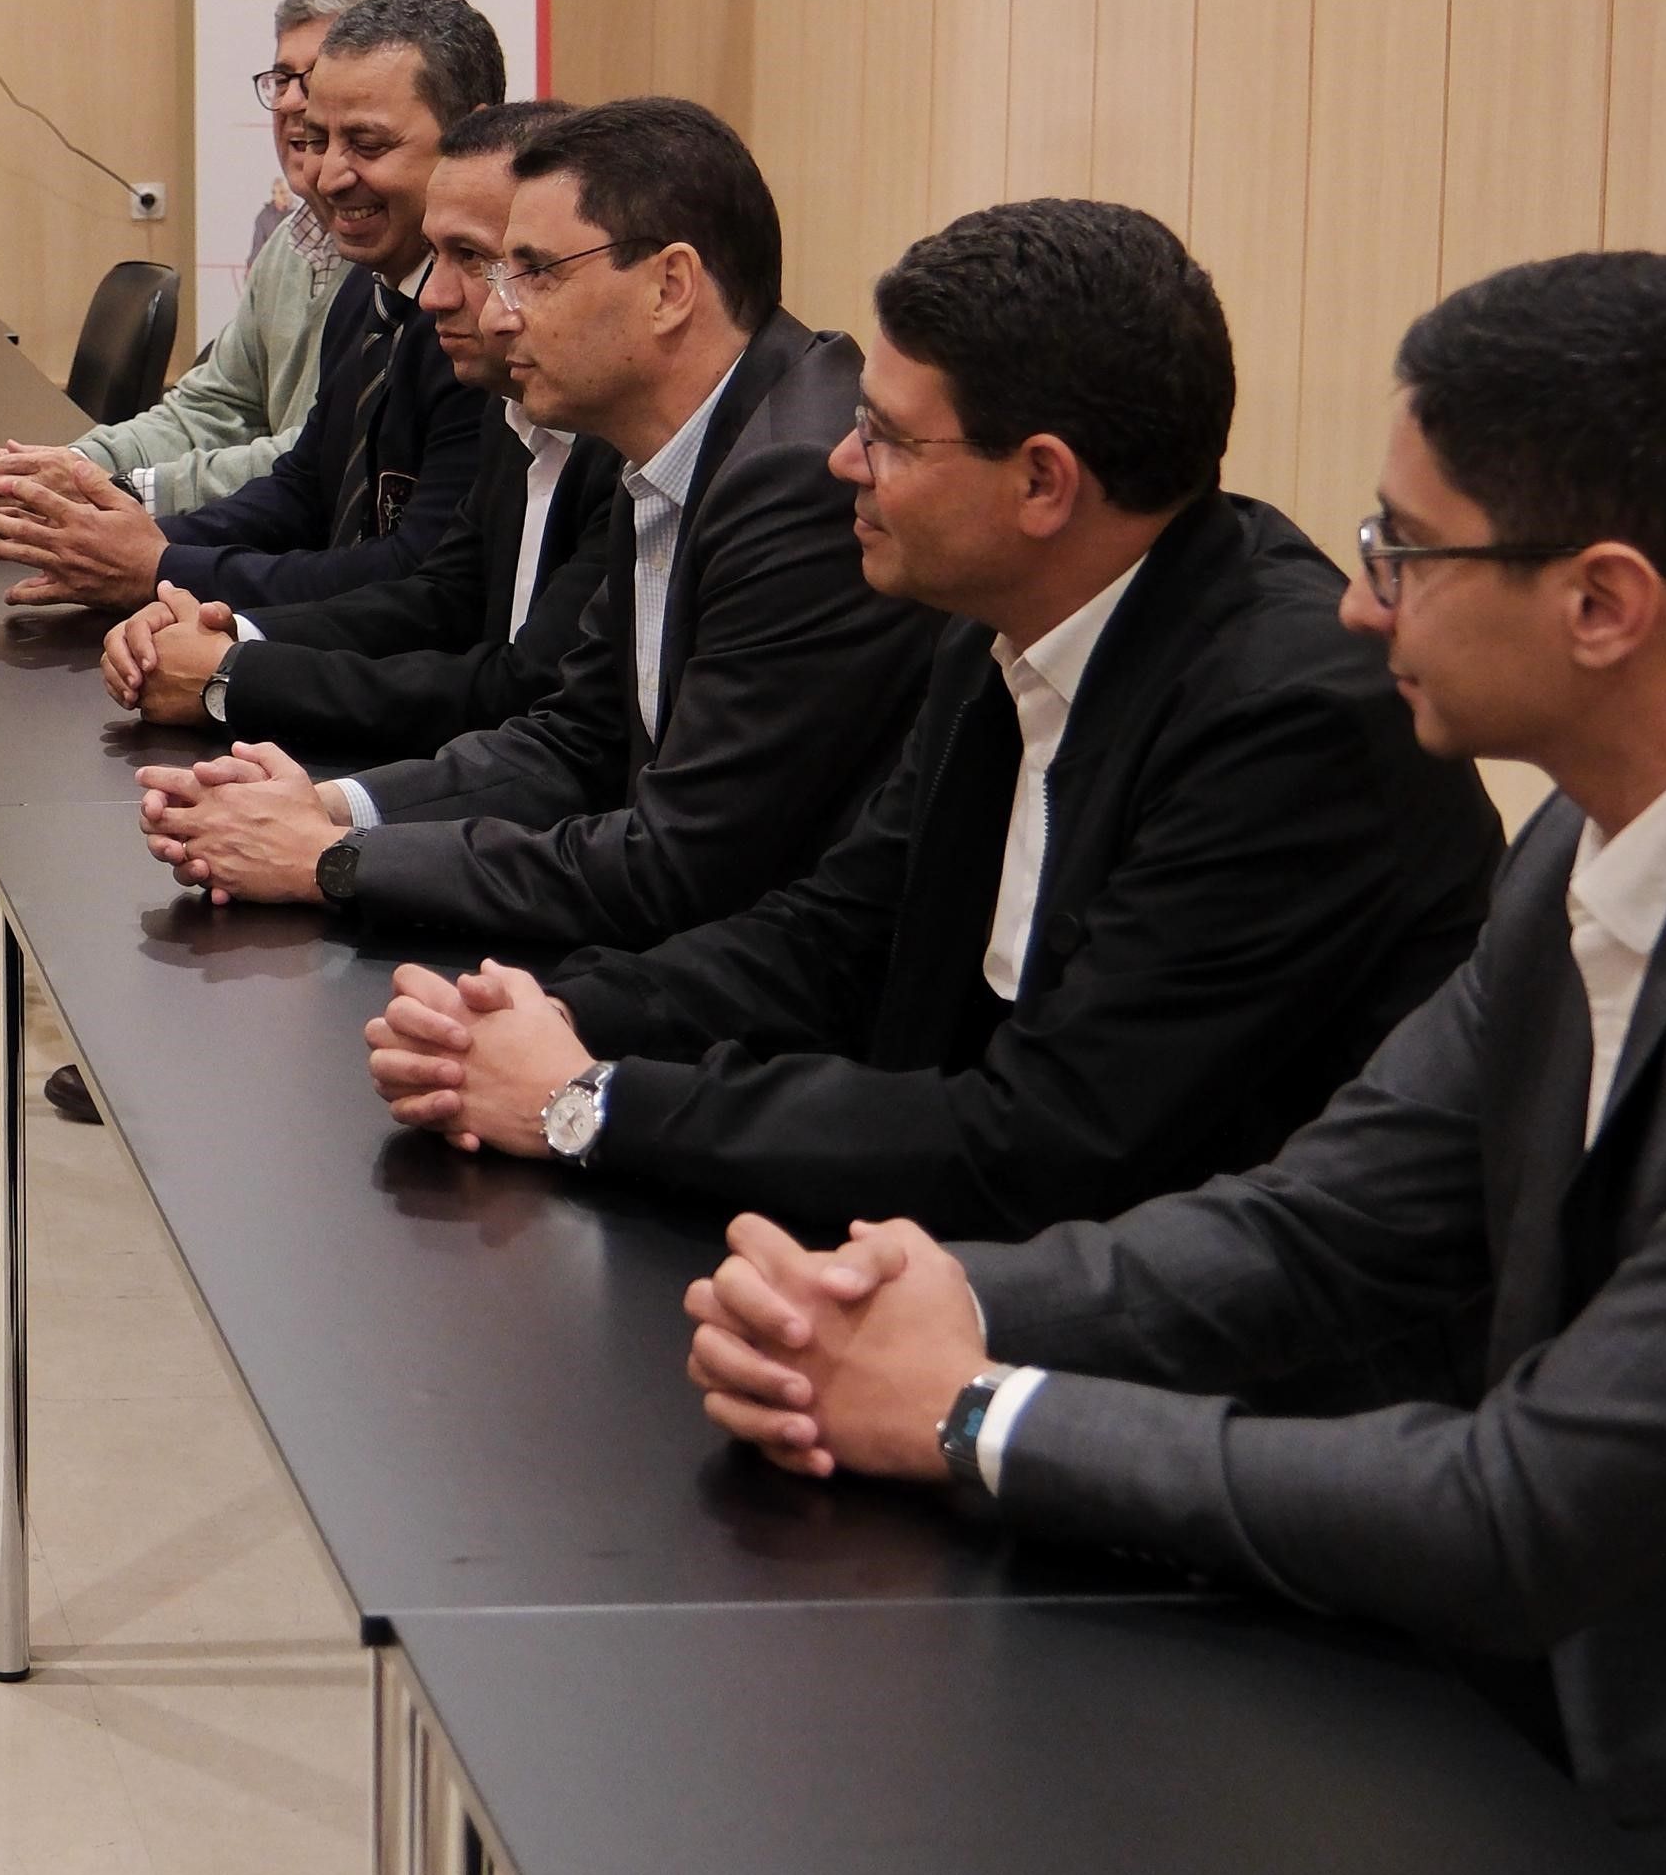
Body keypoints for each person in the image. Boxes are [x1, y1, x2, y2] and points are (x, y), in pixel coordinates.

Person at [682, 255, 1666, 1875]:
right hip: (1564, 1762)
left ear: (1603, 603)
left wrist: (972, 1409)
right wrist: (920, 1296)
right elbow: (1319, 1222)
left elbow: (1531, 1499)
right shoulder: (1589, 833)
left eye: (1403, 550)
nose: (1355, 600)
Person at [361, 199, 1501, 1240]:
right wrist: (539, 1017)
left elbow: (1050, 1139)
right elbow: (833, 936)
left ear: (1042, 483)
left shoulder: (1291, 718)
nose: (842, 460)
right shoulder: (999, 615)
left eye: (888, 437)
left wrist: (589, 1101)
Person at [140, 96, 945, 955]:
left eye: (533, 272)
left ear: (669, 287)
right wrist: (327, 809)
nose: (495, 313)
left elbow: (682, 865)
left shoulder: (797, 482)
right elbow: (575, 743)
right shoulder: (669, 438)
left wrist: (331, 860)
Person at [102, 100, 623, 764]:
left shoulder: (615, 438)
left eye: (476, 258)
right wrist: (229, 631)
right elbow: (440, 598)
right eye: (436, 254)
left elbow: (521, 691)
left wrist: (231, 675)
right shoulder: (503, 398)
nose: (433, 295)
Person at [0, 0, 503, 616]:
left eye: (367, 144)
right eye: (320, 140)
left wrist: (160, 566)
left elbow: (420, 582)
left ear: (471, 137)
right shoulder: (368, 287)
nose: (328, 175)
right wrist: (120, 542)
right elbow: (306, 485)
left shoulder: (487, 328)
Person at [0, 0, 385, 510]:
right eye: (282, 78)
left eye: (314, 78)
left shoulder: (398, 259)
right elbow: (211, 408)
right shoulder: (286, 243)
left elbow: (316, 461)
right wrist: (70, 464)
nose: (293, 103)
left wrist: (116, 489)